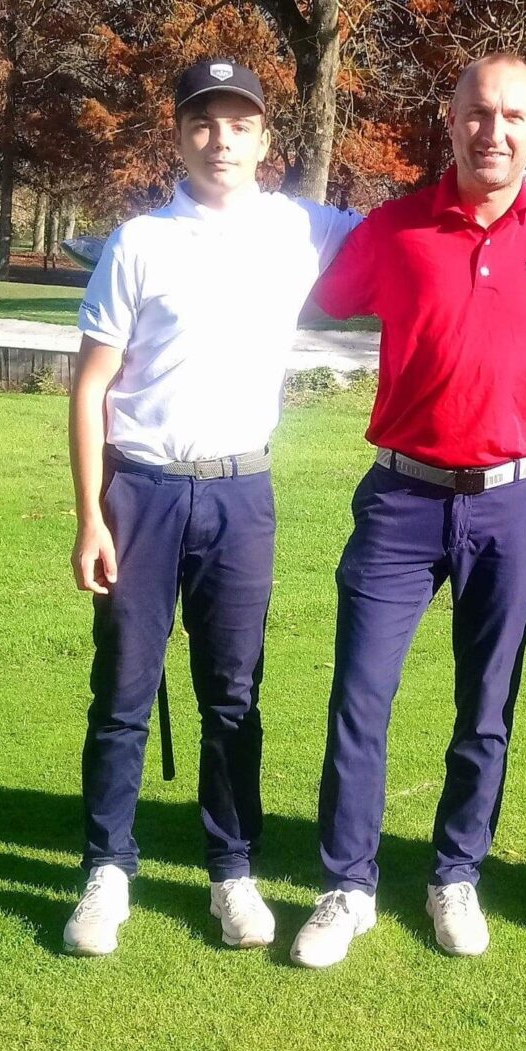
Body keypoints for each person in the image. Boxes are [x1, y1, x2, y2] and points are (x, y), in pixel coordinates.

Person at [290, 55, 526, 969]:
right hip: (400, 498)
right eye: (478, 112)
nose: (494, 131)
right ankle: (347, 885)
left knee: (487, 706)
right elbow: (305, 282)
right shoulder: (397, 227)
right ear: (451, 117)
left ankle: (455, 874)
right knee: (361, 696)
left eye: (514, 116)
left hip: (511, 505)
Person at [59, 60, 351, 958]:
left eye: (239, 124)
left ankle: (233, 871)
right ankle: (108, 870)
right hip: (142, 491)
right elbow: (89, 386)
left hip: (241, 492)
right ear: (180, 136)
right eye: (203, 123)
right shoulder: (140, 242)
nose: (220, 140)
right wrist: (89, 515)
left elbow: (419, 229)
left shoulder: (302, 228)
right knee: (123, 692)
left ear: (266, 139)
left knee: (233, 694)